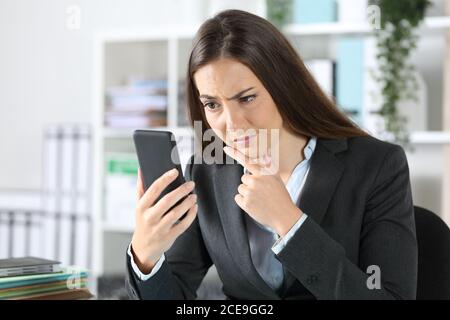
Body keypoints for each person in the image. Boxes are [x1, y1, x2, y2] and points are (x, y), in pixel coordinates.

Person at [125, 9, 417, 300]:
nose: (233, 124)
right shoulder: (206, 171)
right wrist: (145, 256)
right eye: (213, 105)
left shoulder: (378, 166)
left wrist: (289, 222)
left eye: (247, 98)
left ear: (283, 87)